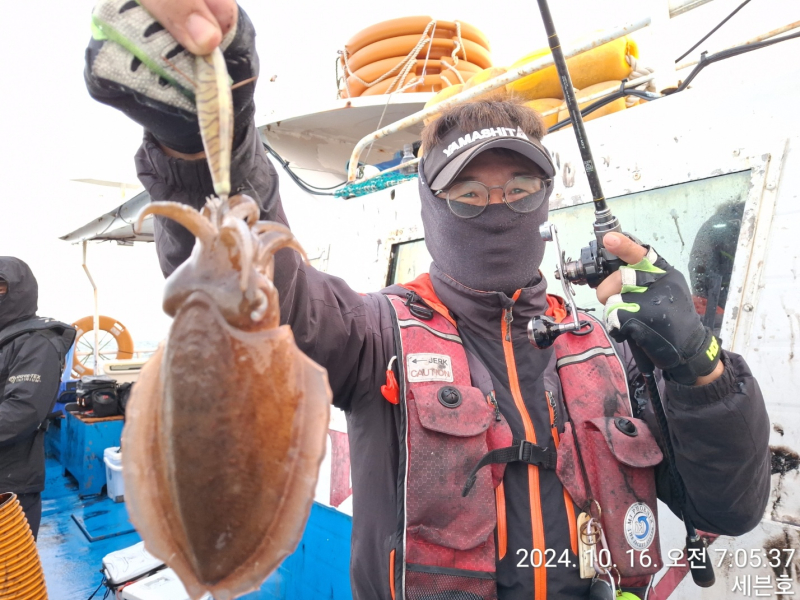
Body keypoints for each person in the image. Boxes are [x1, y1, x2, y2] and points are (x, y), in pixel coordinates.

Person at [85, 3, 771, 598]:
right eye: (469, 194)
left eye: (517, 190)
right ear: (432, 209)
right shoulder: (375, 333)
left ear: (544, 202)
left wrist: (700, 371)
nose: (495, 207)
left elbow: (732, 508)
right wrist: (201, 144)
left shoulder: (608, 350)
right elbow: (263, 290)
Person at [0, 258, 76, 540]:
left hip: (10, 485)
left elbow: (24, 410)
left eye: (1, 287)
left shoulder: (35, 341)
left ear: (19, 291)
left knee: (11, 576)